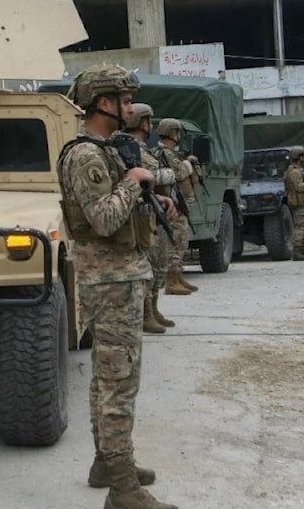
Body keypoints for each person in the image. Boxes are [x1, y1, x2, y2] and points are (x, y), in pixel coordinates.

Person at [57, 63, 179, 509]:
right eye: (124, 100)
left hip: (120, 275)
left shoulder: (105, 149)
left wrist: (151, 199)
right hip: (110, 279)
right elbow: (104, 220)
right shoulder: (86, 155)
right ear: (103, 103)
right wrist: (132, 184)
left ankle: (108, 465)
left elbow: (118, 209)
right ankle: (123, 489)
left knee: (108, 377)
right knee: (118, 382)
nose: (130, 107)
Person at [124, 103, 179, 333]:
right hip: (145, 213)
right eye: (148, 121)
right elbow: (148, 176)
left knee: (158, 266)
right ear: (141, 122)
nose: (151, 126)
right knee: (151, 266)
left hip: (156, 209)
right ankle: (147, 313)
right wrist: (169, 174)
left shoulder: (143, 148)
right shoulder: (134, 148)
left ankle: (153, 310)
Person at [155, 118, 201, 294]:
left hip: (178, 203)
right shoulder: (165, 153)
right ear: (173, 133)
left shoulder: (171, 153)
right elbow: (180, 173)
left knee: (182, 242)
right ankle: (172, 281)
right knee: (176, 243)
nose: (179, 136)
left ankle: (178, 276)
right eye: (178, 132)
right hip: (173, 204)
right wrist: (189, 163)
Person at [284, 146, 304, 261]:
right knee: (299, 228)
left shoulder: (299, 170)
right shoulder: (294, 171)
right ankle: (297, 252)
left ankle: (303, 250)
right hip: (298, 202)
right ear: (300, 157)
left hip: (303, 201)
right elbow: (298, 187)